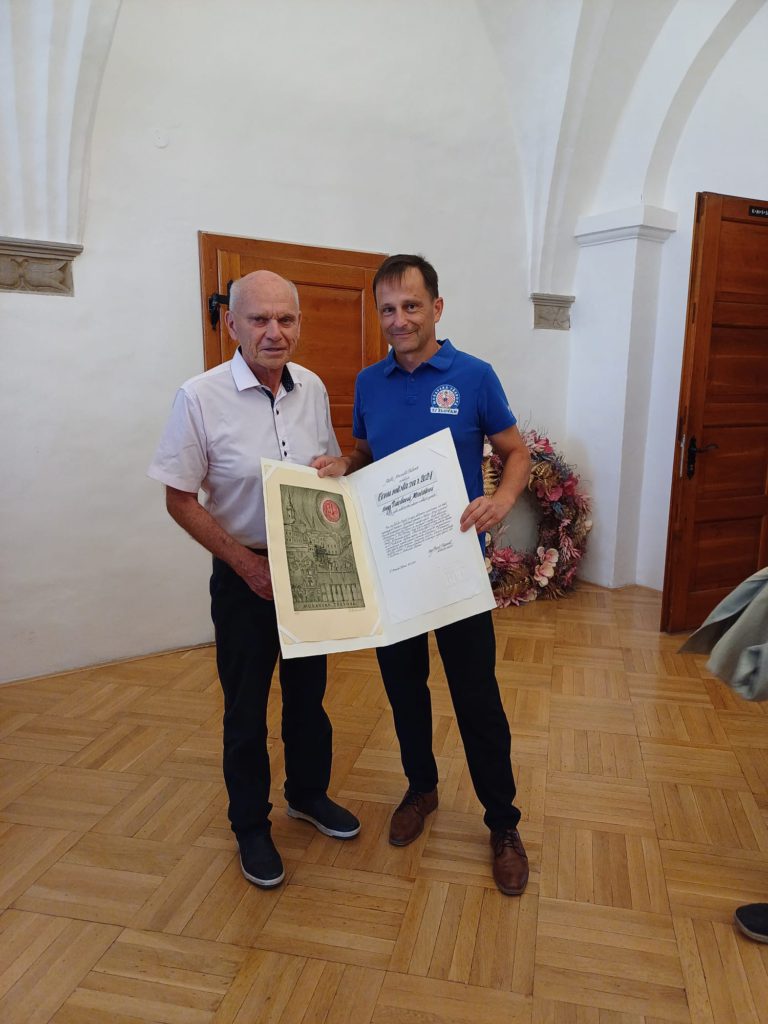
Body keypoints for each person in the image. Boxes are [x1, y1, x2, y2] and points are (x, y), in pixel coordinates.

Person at [314, 254, 531, 894]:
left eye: (411, 306)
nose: (399, 319)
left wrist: (502, 500)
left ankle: (503, 822)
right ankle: (421, 788)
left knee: (477, 698)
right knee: (404, 690)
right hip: (393, 568)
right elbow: (366, 453)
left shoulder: (474, 376)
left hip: (455, 568)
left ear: (436, 307)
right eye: (387, 308)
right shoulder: (370, 382)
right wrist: (342, 467)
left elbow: (515, 451)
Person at [148, 270, 360, 889]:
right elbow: (179, 499)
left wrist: (337, 467)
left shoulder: (311, 387)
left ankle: (307, 794)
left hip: (309, 564)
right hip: (243, 572)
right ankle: (250, 824)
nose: (274, 332)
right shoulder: (199, 396)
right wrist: (246, 566)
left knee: (308, 695)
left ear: (299, 323)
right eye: (260, 319)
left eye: (286, 319)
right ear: (231, 324)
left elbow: (326, 467)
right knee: (245, 707)